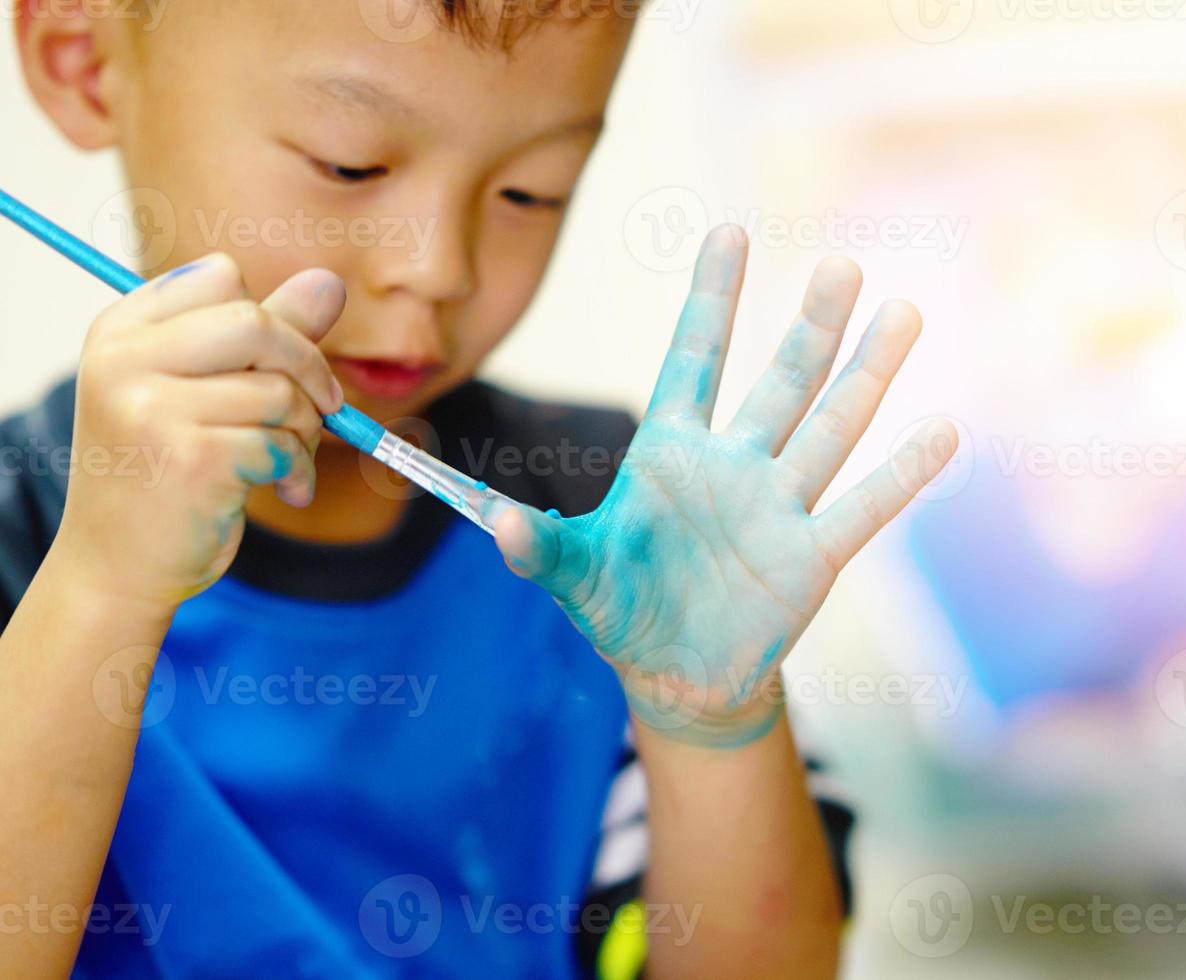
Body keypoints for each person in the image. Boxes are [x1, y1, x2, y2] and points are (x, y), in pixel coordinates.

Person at [0, 1, 956, 976]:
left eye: (530, 191)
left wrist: (708, 722)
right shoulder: (18, 539)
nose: (439, 268)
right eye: (351, 163)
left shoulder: (612, 529)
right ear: (81, 60)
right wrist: (99, 588)